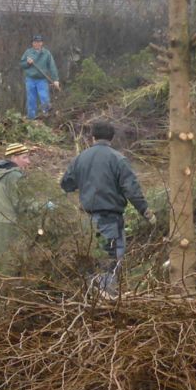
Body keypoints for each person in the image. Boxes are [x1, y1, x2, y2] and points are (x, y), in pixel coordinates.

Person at [60, 121, 154, 297]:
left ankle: (90, 297)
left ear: (92, 137)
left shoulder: (80, 158)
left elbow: (66, 184)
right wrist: (145, 211)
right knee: (109, 261)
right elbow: (131, 190)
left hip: (86, 221)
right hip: (110, 220)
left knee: (89, 259)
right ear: (112, 138)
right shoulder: (118, 159)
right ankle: (106, 301)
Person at [0, 142, 49, 267]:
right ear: (13, 157)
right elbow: (22, 204)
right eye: (24, 157)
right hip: (8, 227)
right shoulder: (14, 176)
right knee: (7, 266)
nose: (28, 162)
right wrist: (44, 206)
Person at [20, 33, 60, 119]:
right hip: (30, 80)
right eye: (35, 42)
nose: (37, 44)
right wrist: (27, 63)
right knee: (31, 100)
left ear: (42, 43)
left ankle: (47, 117)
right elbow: (22, 64)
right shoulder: (28, 52)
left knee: (44, 98)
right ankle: (31, 119)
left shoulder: (46, 53)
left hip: (42, 80)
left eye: (39, 42)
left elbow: (52, 66)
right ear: (32, 43)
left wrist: (56, 79)